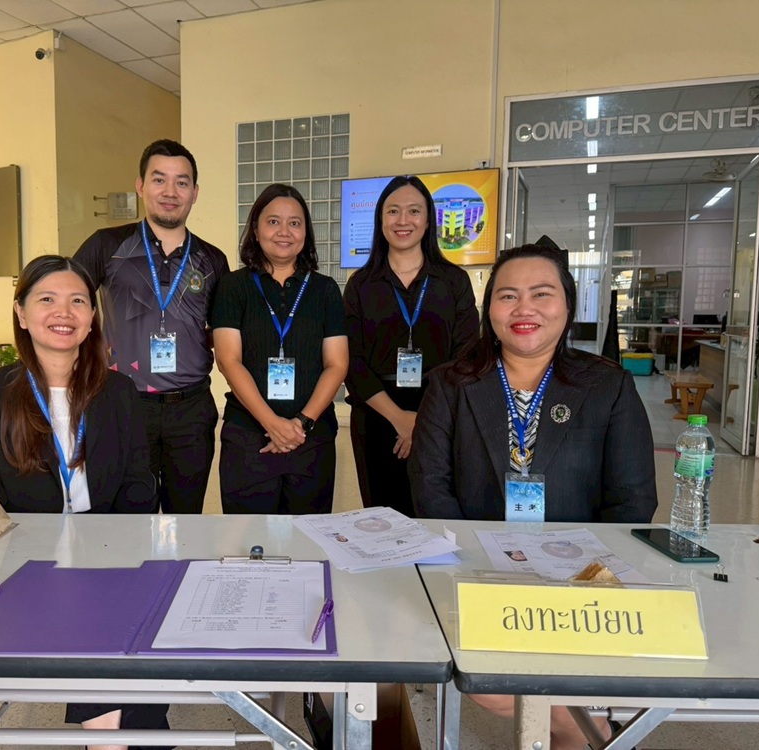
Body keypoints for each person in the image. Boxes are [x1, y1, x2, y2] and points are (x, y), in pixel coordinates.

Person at [409, 243, 657, 750]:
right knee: (483, 676)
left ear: (567, 304)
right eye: (508, 296)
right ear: (490, 310)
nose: (524, 309)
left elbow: (632, 497)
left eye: (541, 294)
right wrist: (478, 569)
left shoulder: (607, 385)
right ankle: (584, 730)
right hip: (478, 572)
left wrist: (588, 577)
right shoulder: (452, 384)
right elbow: (431, 488)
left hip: (581, 575)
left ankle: (573, 728)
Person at [0, 255, 169, 750]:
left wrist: (111, 556)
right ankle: (121, 739)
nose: (64, 312)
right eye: (47, 299)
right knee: (97, 628)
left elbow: (140, 484)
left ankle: (116, 737)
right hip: (25, 566)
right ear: (21, 312)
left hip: (111, 556)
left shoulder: (118, 391)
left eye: (78, 301)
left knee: (114, 616)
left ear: (92, 318)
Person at [74, 138, 228, 515]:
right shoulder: (107, 245)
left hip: (191, 409)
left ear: (195, 193)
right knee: (127, 517)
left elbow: (223, 332)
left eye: (181, 182)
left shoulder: (212, 259)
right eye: (159, 180)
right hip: (124, 404)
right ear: (141, 186)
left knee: (185, 518)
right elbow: (67, 299)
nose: (170, 192)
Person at [343, 175, 478, 516]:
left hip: (439, 415)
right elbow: (352, 360)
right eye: (393, 211)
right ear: (381, 220)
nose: (403, 220)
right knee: (382, 518)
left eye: (414, 211)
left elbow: (466, 356)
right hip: (376, 415)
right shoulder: (361, 284)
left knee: (436, 513)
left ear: (428, 220)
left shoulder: (453, 281)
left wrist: (423, 420)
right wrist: (398, 418)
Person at [211, 184, 348, 514]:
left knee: (308, 538)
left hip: (311, 439)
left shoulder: (325, 290)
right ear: (256, 229)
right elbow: (228, 361)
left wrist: (301, 424)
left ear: (306, 232)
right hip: (249, 438)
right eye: (273, 221)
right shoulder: (233, 286)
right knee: (250, 539)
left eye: (295, 223)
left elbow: (337, 364)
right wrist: (271, 423)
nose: (284, 232)